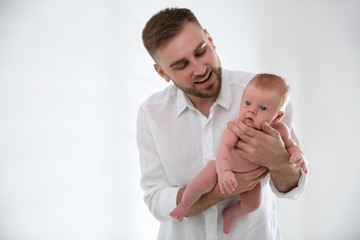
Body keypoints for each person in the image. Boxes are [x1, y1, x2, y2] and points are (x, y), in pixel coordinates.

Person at [137, 7, 308, 240]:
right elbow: (156, 200)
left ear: (210, 38)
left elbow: (295, 189)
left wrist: (279, 162)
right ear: (162, 72)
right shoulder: (151, 114)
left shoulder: (267, 96)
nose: (200, 69)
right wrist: (216, 192)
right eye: (181, 65)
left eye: (200, 51)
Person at [169, 73, 308, 234]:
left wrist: (298, 155)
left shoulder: (280, 130)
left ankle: (230, 214)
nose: (252, 111)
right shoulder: (238, 127)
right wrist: (224, 172)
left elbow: (291, 146)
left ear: (277, 116)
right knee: (201, 183)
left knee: (253, 205)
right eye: (247, 103)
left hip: (253, 179)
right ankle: (184, 205)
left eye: (262, 108)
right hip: (220, 168)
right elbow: (223, 149)